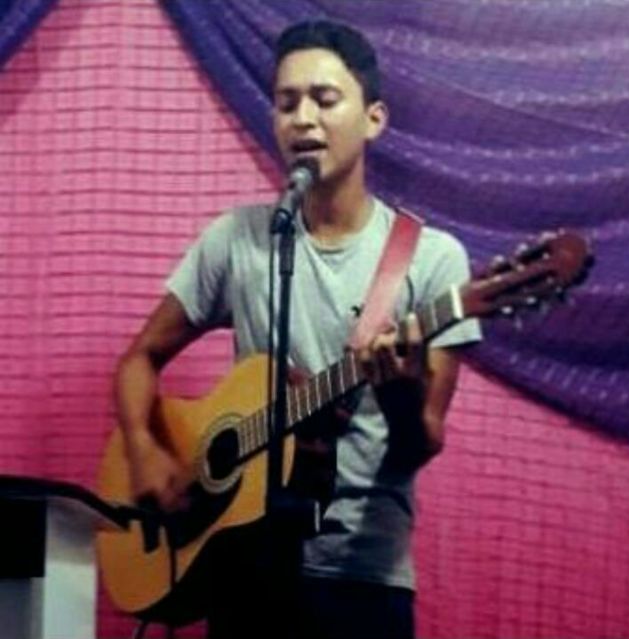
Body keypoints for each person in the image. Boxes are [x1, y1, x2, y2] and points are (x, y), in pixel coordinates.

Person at [115, 19, 481, 639]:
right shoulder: (237, 239)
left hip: (361, 580)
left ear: (374, 119)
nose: (303, 119)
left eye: (325, 99)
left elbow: (421, 444)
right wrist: (144, 450)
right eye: (287, 103)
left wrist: (400, 393)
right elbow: (138, 361)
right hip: (240, 571)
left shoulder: (431, 260)